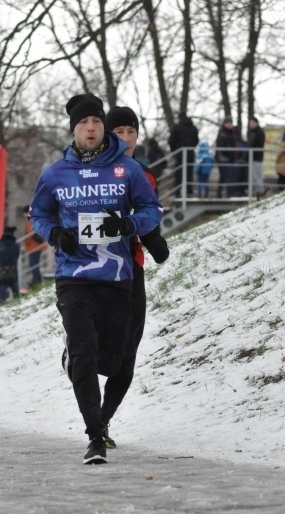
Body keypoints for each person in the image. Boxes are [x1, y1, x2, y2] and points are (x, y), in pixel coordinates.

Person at [30, 93, 162, 464]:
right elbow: (37, 214)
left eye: (97, 122)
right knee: (85, 353)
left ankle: (78, 360)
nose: (91, 128)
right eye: (84, 123)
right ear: (73, 129)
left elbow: (152, 209)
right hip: (73, 275)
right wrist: (56, 235)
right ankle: (94, 436)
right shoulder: (55, 173)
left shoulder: (127, 169)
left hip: (118, 275)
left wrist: (129, 223)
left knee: (115, 360)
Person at [102, 104, 169, 450]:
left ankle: (102, 420)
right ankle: (76, 357)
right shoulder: (89, 171)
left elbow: (148, 215)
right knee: (100, 350)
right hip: (94, 272)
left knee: (128, 352)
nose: (126, 139)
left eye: (131, 132)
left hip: (132, 270)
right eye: (119, 133)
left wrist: (155, 242)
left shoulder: (145, 174)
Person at [167, 111, 199, 198]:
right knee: (189, 173)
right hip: (190, 153)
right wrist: (191, 148)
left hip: (180, 154)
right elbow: (196, 141)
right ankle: (189, 191)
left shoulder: (177, 127)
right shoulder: (193, 127)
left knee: (179, 174)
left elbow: (171, 141)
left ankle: (177, 192)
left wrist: (174, 151)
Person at [0, 226, 20, 304]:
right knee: (16, 293)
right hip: (13, 271)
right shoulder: (16, 246)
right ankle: (18, 305)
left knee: (2, 295)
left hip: (1, 272)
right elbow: (16, 257)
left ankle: (3, 306)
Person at [22, 205, 47, 289]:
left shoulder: (29, 220)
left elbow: (30, 233)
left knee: (33, 265)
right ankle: (36, 281)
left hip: (33, 247)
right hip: (37, 246)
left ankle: (37, 282)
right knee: (35, 265)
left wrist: (26, 243)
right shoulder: (35, 218)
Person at [214, 117, 238, 198]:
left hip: (228, 158)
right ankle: (228, 193)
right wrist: (229, 153)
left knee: (224, 176)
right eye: (228, 123)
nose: (230, 125)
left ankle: (220, 193)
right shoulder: (223, 133)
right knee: (227, 176)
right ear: (225, 124)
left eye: (231, 123)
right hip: (224, 158)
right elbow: (223, 147)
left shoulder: (231, 133)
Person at [246, 117, 267, 198]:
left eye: (252, 123)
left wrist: (252, 153)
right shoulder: (252, 132)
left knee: (257, 175)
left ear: (256, 123)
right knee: (252, 176)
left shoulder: (259, 132)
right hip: (251, 158)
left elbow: (258, 146)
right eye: (249, 123)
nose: (250, 124)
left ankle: (260, 192)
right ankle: (255, 192)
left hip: (256, 158)